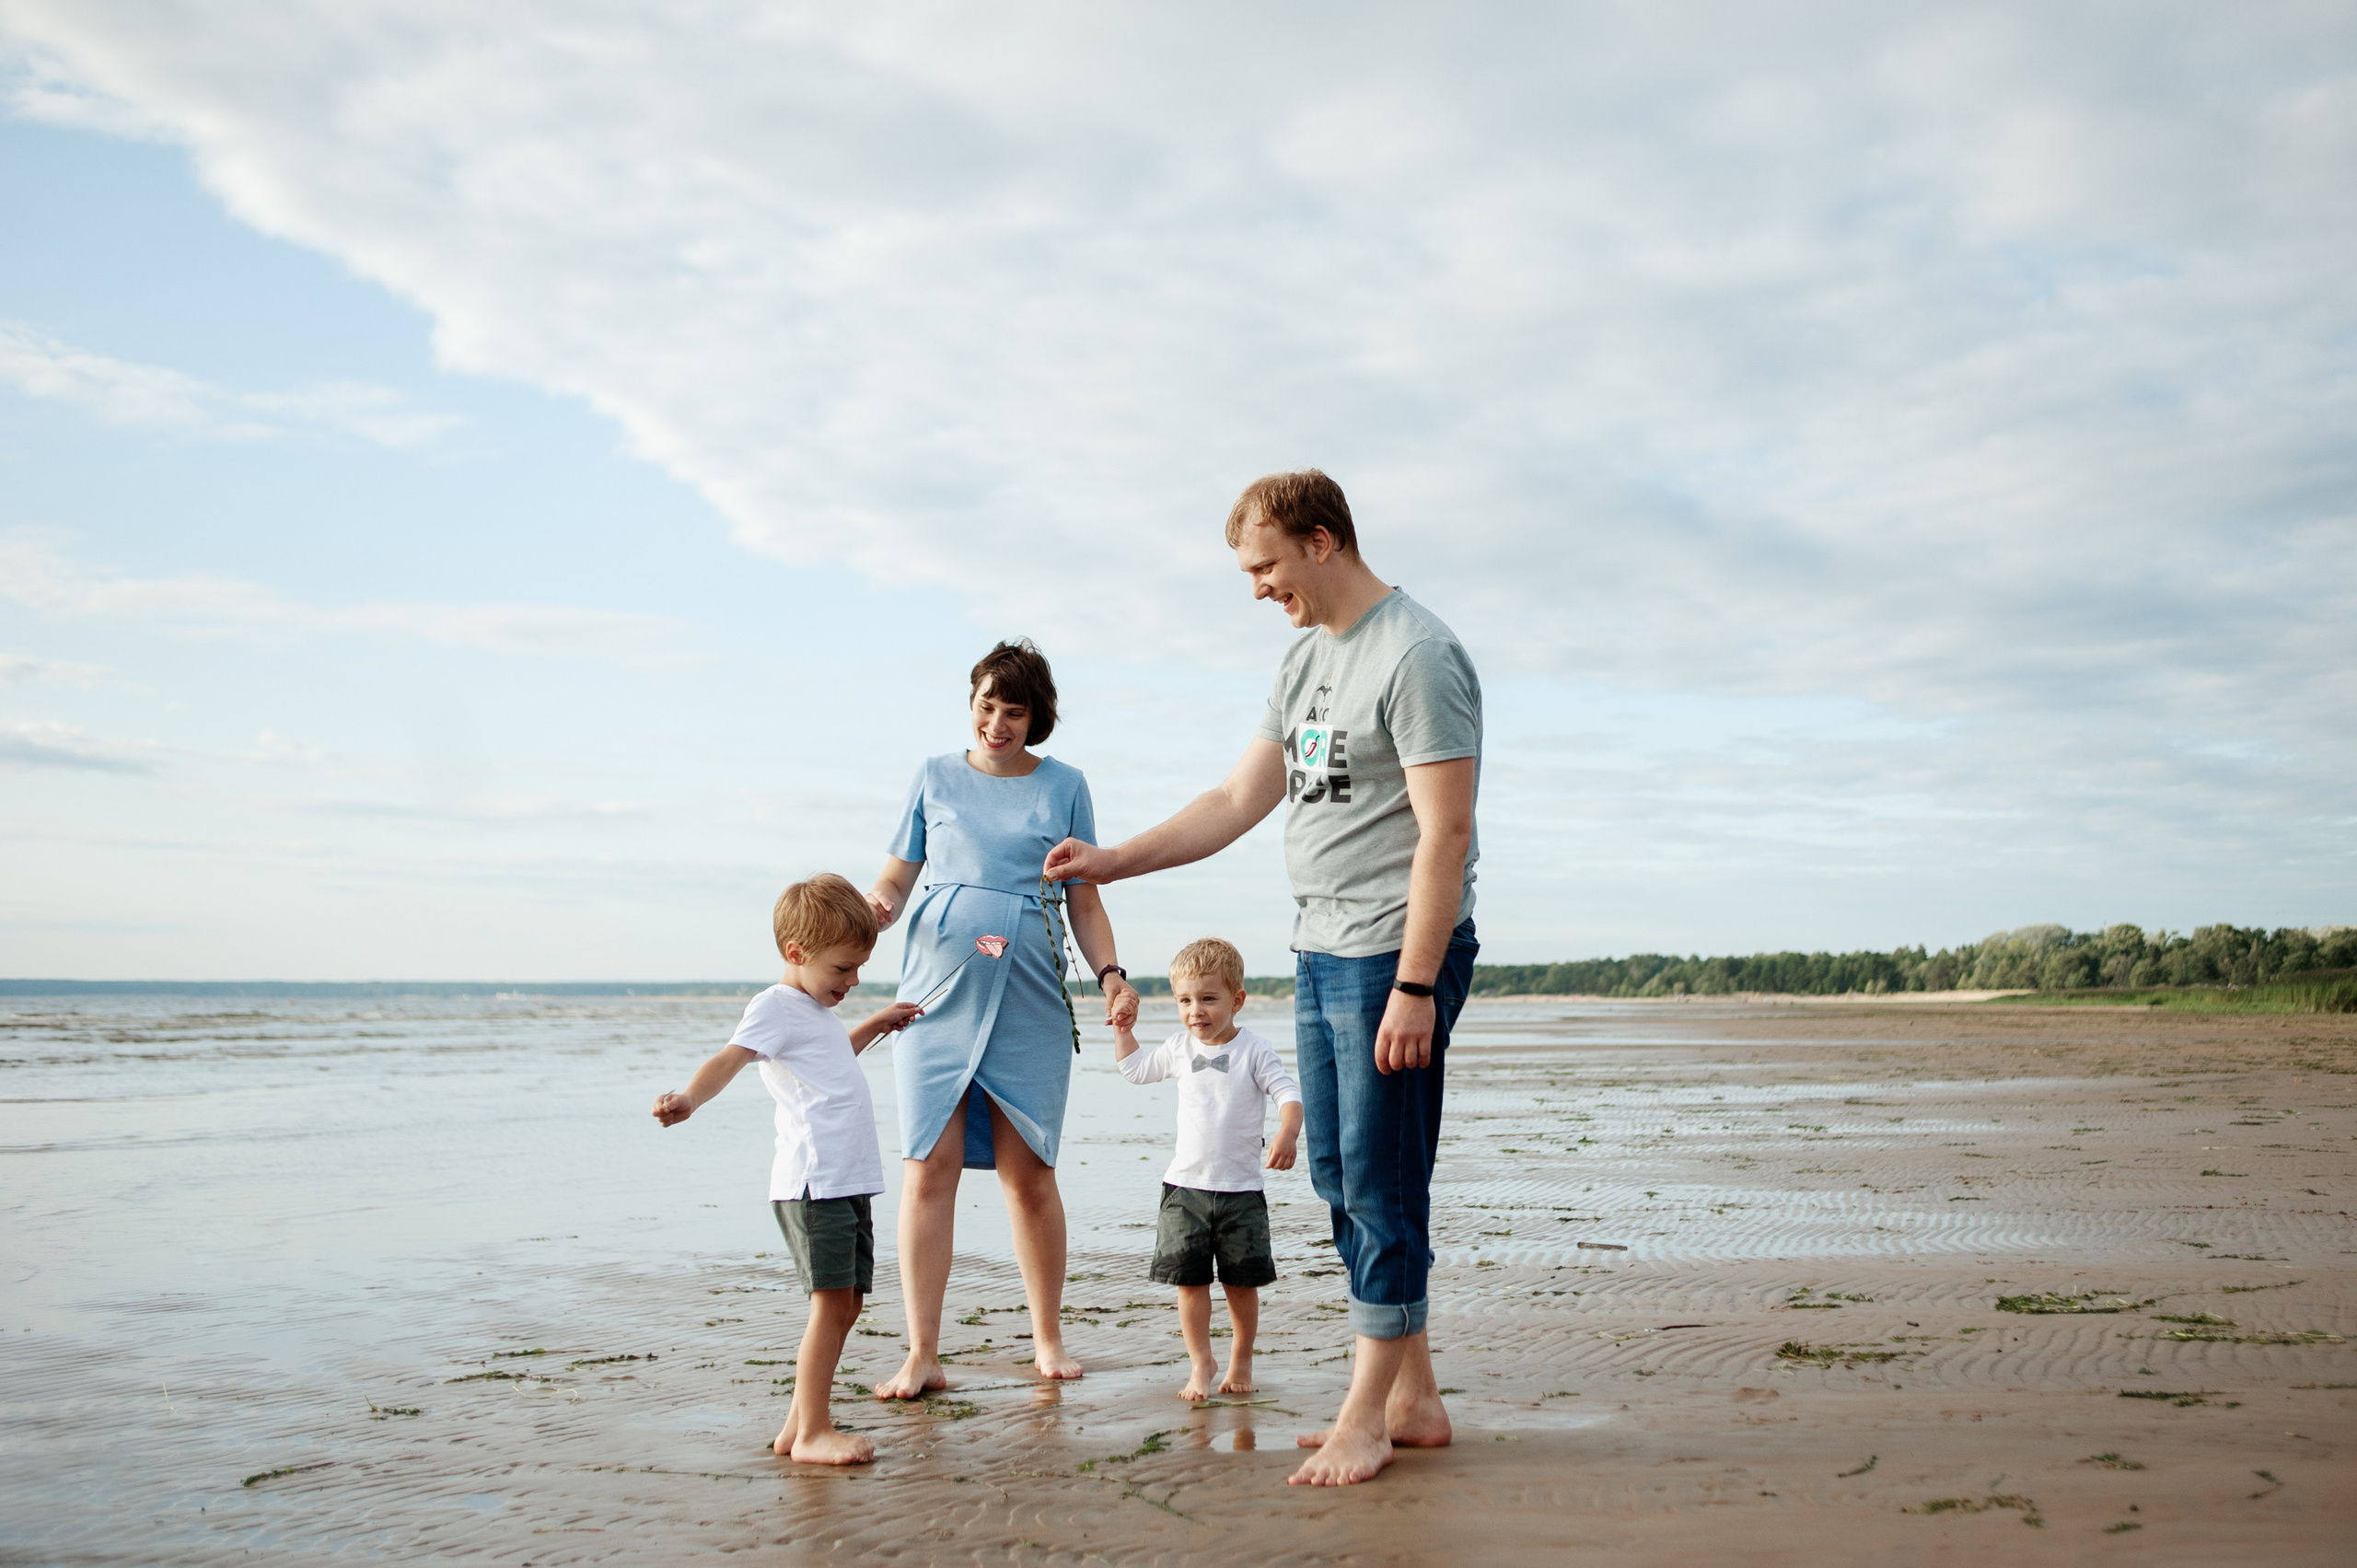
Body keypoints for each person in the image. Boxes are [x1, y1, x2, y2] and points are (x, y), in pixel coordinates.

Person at [1044, 470, 1480, 1487]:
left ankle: (1364, 1414)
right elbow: (1238, 796)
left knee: (1377, 1178)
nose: (1256, 588)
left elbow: (1445, 830)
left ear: (1321, 541)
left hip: (1392, 954)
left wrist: (1415, 984)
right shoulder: (1301, 664)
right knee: (1339, 1171)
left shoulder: (1416, 654)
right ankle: (1412, 1396)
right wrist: (1113, 861)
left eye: (1265, 566)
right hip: (1321, 946)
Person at [865, 639, 1142, 1398]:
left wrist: (1112, 974)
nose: (996, 722)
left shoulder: (1068, 787)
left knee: (1031, 1173)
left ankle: (1047, 1338)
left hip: (1029, 993)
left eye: (1013, 711)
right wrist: (878, 908)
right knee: (929, 1168)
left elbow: (1084, 898)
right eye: (987, 705)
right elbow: (897, 873)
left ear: (1036, 717)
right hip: (935, 993)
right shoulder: (933, 776)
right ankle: (922, 1350)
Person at [648, 873, 922, 1464]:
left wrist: (873, 1025)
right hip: (813, 1181)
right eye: (842, 970)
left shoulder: (812, 1011)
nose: (852, 981)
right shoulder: (774, 1006)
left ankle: (796, 1427)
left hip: (847, 1178)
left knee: (848, 1302)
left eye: (857, 969)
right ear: (797, 955)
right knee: (830, 1303)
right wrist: (691, 1099)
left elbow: (826, 1061)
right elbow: (732, 1058)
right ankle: (815, 1432)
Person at [1113, 936, 1303, 1402]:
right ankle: (1201, 1362)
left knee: (1242, 1284)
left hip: (1241, 1191)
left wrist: (1287, 1134)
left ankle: (1240, 1358)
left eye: (1208, 999)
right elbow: (1135, 1070)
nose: (1195, 1010)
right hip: (1184, 1190)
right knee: (1189, 1282)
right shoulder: (1178, 1047)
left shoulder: (1255, 1050)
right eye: (1185, 1000)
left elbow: (1289, 1095)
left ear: (1237, 1000)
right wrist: (1123, 1029)